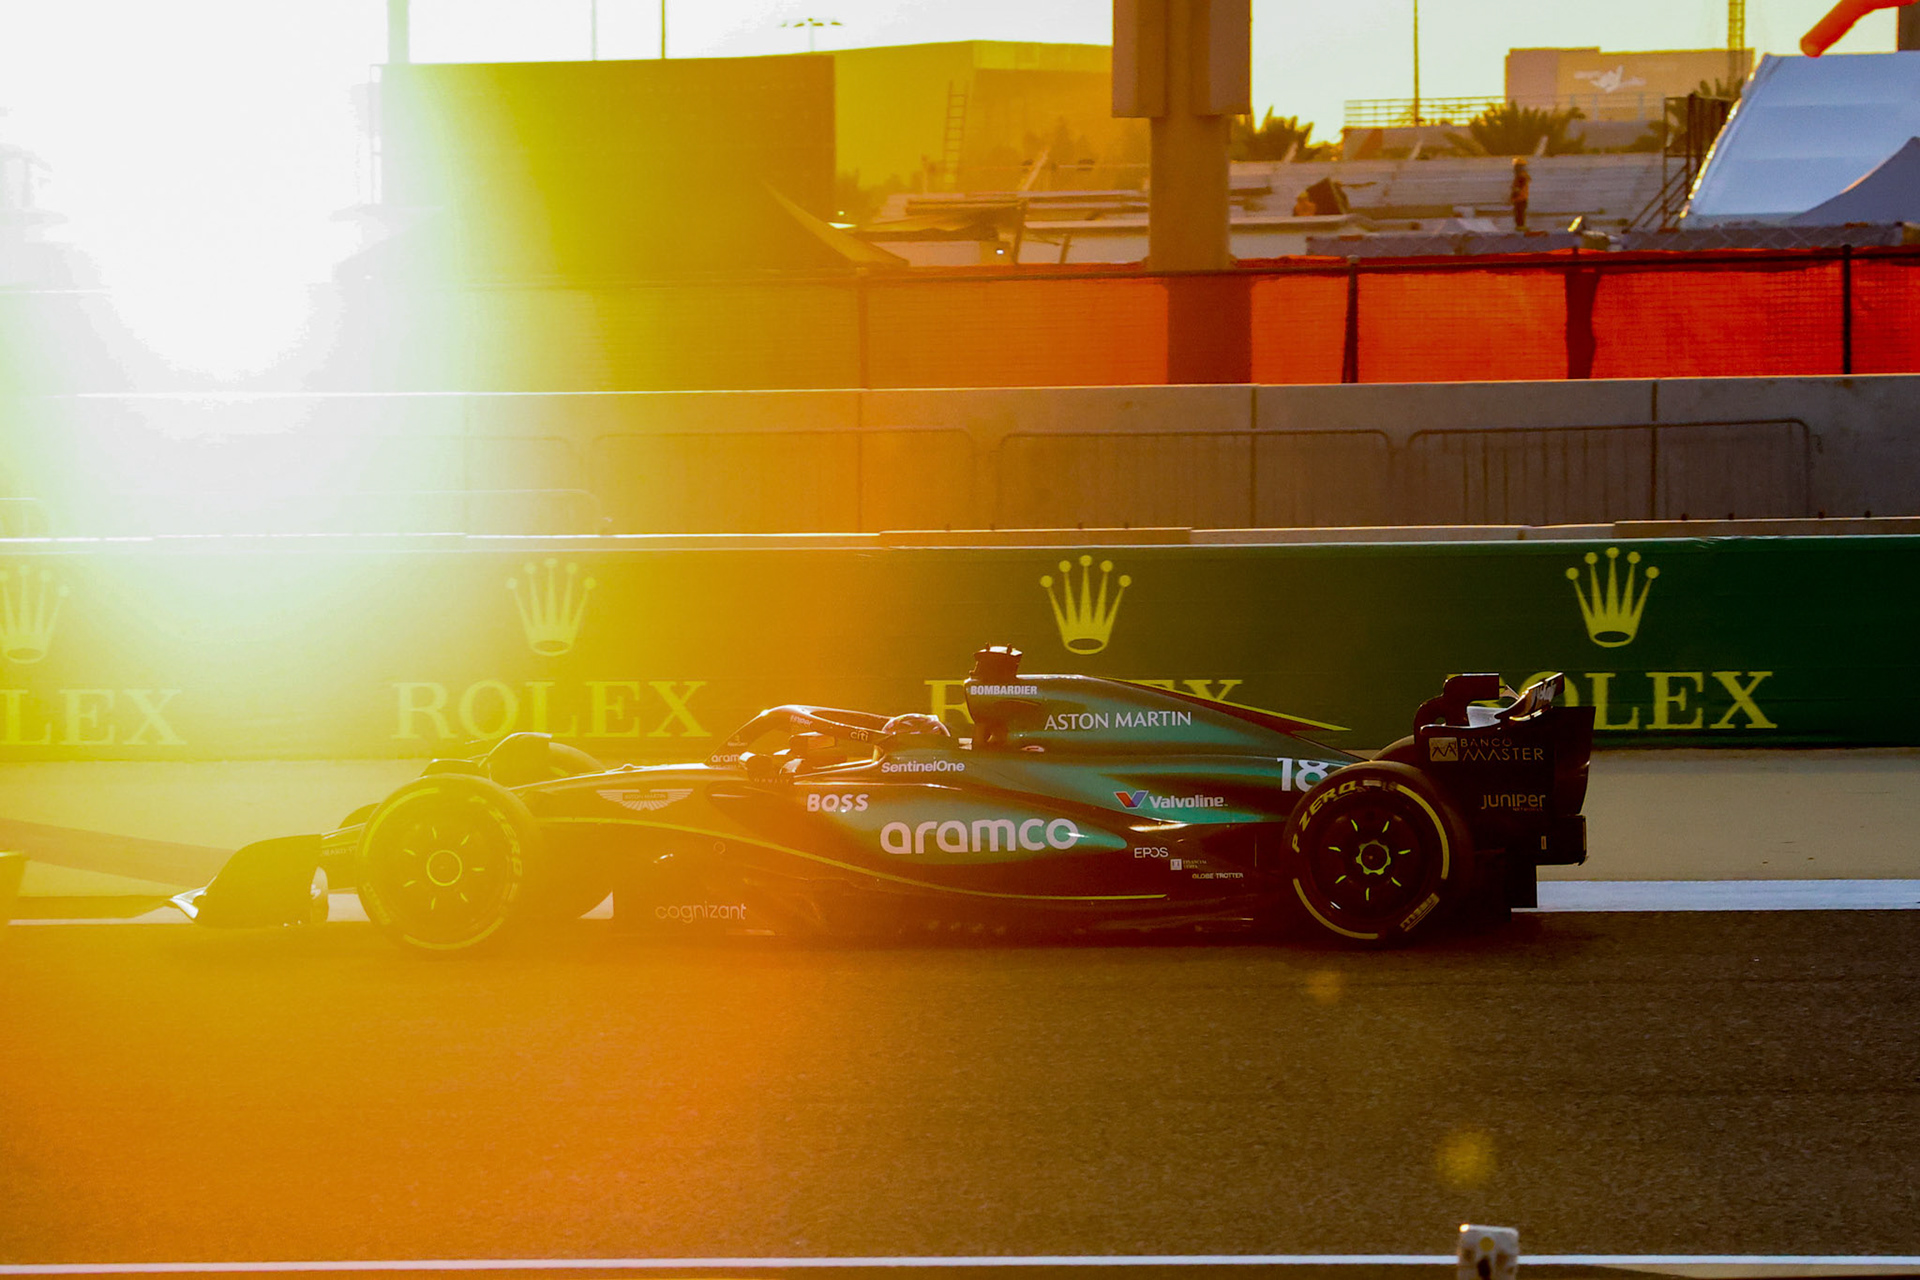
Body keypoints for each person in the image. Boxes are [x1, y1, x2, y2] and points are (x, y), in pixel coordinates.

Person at [1510, 157, 1531, 231]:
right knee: (1520, 213)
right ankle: (1521, 226)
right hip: (1522, 198)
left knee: (1519, 213)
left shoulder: (1521, 176)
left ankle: (1520, 227)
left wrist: (1513, 195)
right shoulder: (1523, 175)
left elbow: (1518, 188)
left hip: (1520, 198)